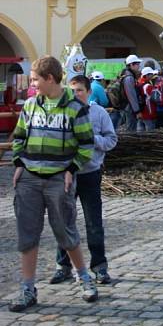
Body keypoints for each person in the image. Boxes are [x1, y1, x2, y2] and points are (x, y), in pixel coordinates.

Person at [9, 56, 98, 312]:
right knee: (27, 235)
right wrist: (18, 163)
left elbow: (86, 144)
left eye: (36, 79)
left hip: (60, 179)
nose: (33, 83)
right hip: (29, 179)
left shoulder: (75, 107)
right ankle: (28, 289)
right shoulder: (30, 105)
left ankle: (84, 278)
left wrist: (72, 169)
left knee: (65, 231)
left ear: (50, 78)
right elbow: (20, 136)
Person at [51, 75, 117, 286]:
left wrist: (92, 139)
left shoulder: (98, 113)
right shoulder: (63, 112)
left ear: (89, 92)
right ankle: (63, 266)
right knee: (63, 221)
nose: (75, 94)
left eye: (79, 90)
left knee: (93, 222)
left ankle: (99, 267)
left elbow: (111, 140)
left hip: (89, 173)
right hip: (66, 174)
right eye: (72, 91)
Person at [121, 54, 143, 132]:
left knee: (130, 128)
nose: (139, 66)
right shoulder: (129, 77)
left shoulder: (126, 75)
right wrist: (137, 111)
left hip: (128, 107)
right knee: (131, 130)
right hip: (130, 108)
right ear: (131, 65)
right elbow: (131, 96)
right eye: (137, 64)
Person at [137, 66, 159, 133]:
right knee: (150, 134)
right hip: (148, 113)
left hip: (140, 112)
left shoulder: (138, 83)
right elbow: (156, 98)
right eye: (151, 74)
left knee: (140, 133)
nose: (152, 76)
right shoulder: (148, 86)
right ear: (146, 75)